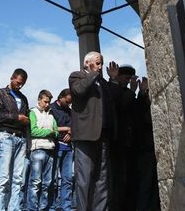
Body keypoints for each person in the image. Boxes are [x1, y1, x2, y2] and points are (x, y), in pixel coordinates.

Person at [68, 51, 120, 211]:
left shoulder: (102, 82)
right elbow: (79, 91)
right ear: (87, 63)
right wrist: (91, 73)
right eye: (97, 63)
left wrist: (113, 80)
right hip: (85, 136)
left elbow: (115, 101)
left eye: (101, 63)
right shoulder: (76, 76)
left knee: (102, 180)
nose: (100, 66)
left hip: (103, 136)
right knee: (84, 180)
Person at [0, 68, 30, 211]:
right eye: (18, 82)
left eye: (23, 84)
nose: (20, 86)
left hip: (21, 139)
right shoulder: (0, 93)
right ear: (12, 78)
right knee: (3, 179)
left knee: (18, 180)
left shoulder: (24, 98)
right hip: (6, 137)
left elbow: (26, 122)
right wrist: (17, 117)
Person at [109, 65, 138, 211]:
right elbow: (121, 105)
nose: (128, 82)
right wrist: (132, 90)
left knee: (128, 178)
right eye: (126, 78)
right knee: (118, 179)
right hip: (116, 141)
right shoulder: (111, 88)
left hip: (129, 141)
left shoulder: (126, 91)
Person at [27, 89, 58, 211]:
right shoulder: (32, 112)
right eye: (45, 101)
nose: (47, 104)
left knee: (47, 183)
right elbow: (33, 131)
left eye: (49, 102)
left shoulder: (51, 114)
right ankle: (32, 208)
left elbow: (56, 132)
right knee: (35, 182)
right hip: (38, 149)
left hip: (50, 151)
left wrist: (52, 132)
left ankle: (43, 208)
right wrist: (49, 132)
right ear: (39, 100)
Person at [133, 77, 160, 211]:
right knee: (146, 185)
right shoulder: (141, 108)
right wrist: (142, 93)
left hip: (149, 149)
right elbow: (140, 111)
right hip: (145, 150)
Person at [49, 88, 73, 211]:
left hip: (68, 148)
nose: (68, 104)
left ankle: (66, 207)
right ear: (61, 98)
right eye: (67, 101)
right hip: (55, 146)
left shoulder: (70, 111)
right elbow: (50, 128)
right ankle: (52, 206)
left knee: (67, 180)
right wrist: (66, 129)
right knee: (53, 180)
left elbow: (75, 127)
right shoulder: (51, 109)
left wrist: (72, 132)